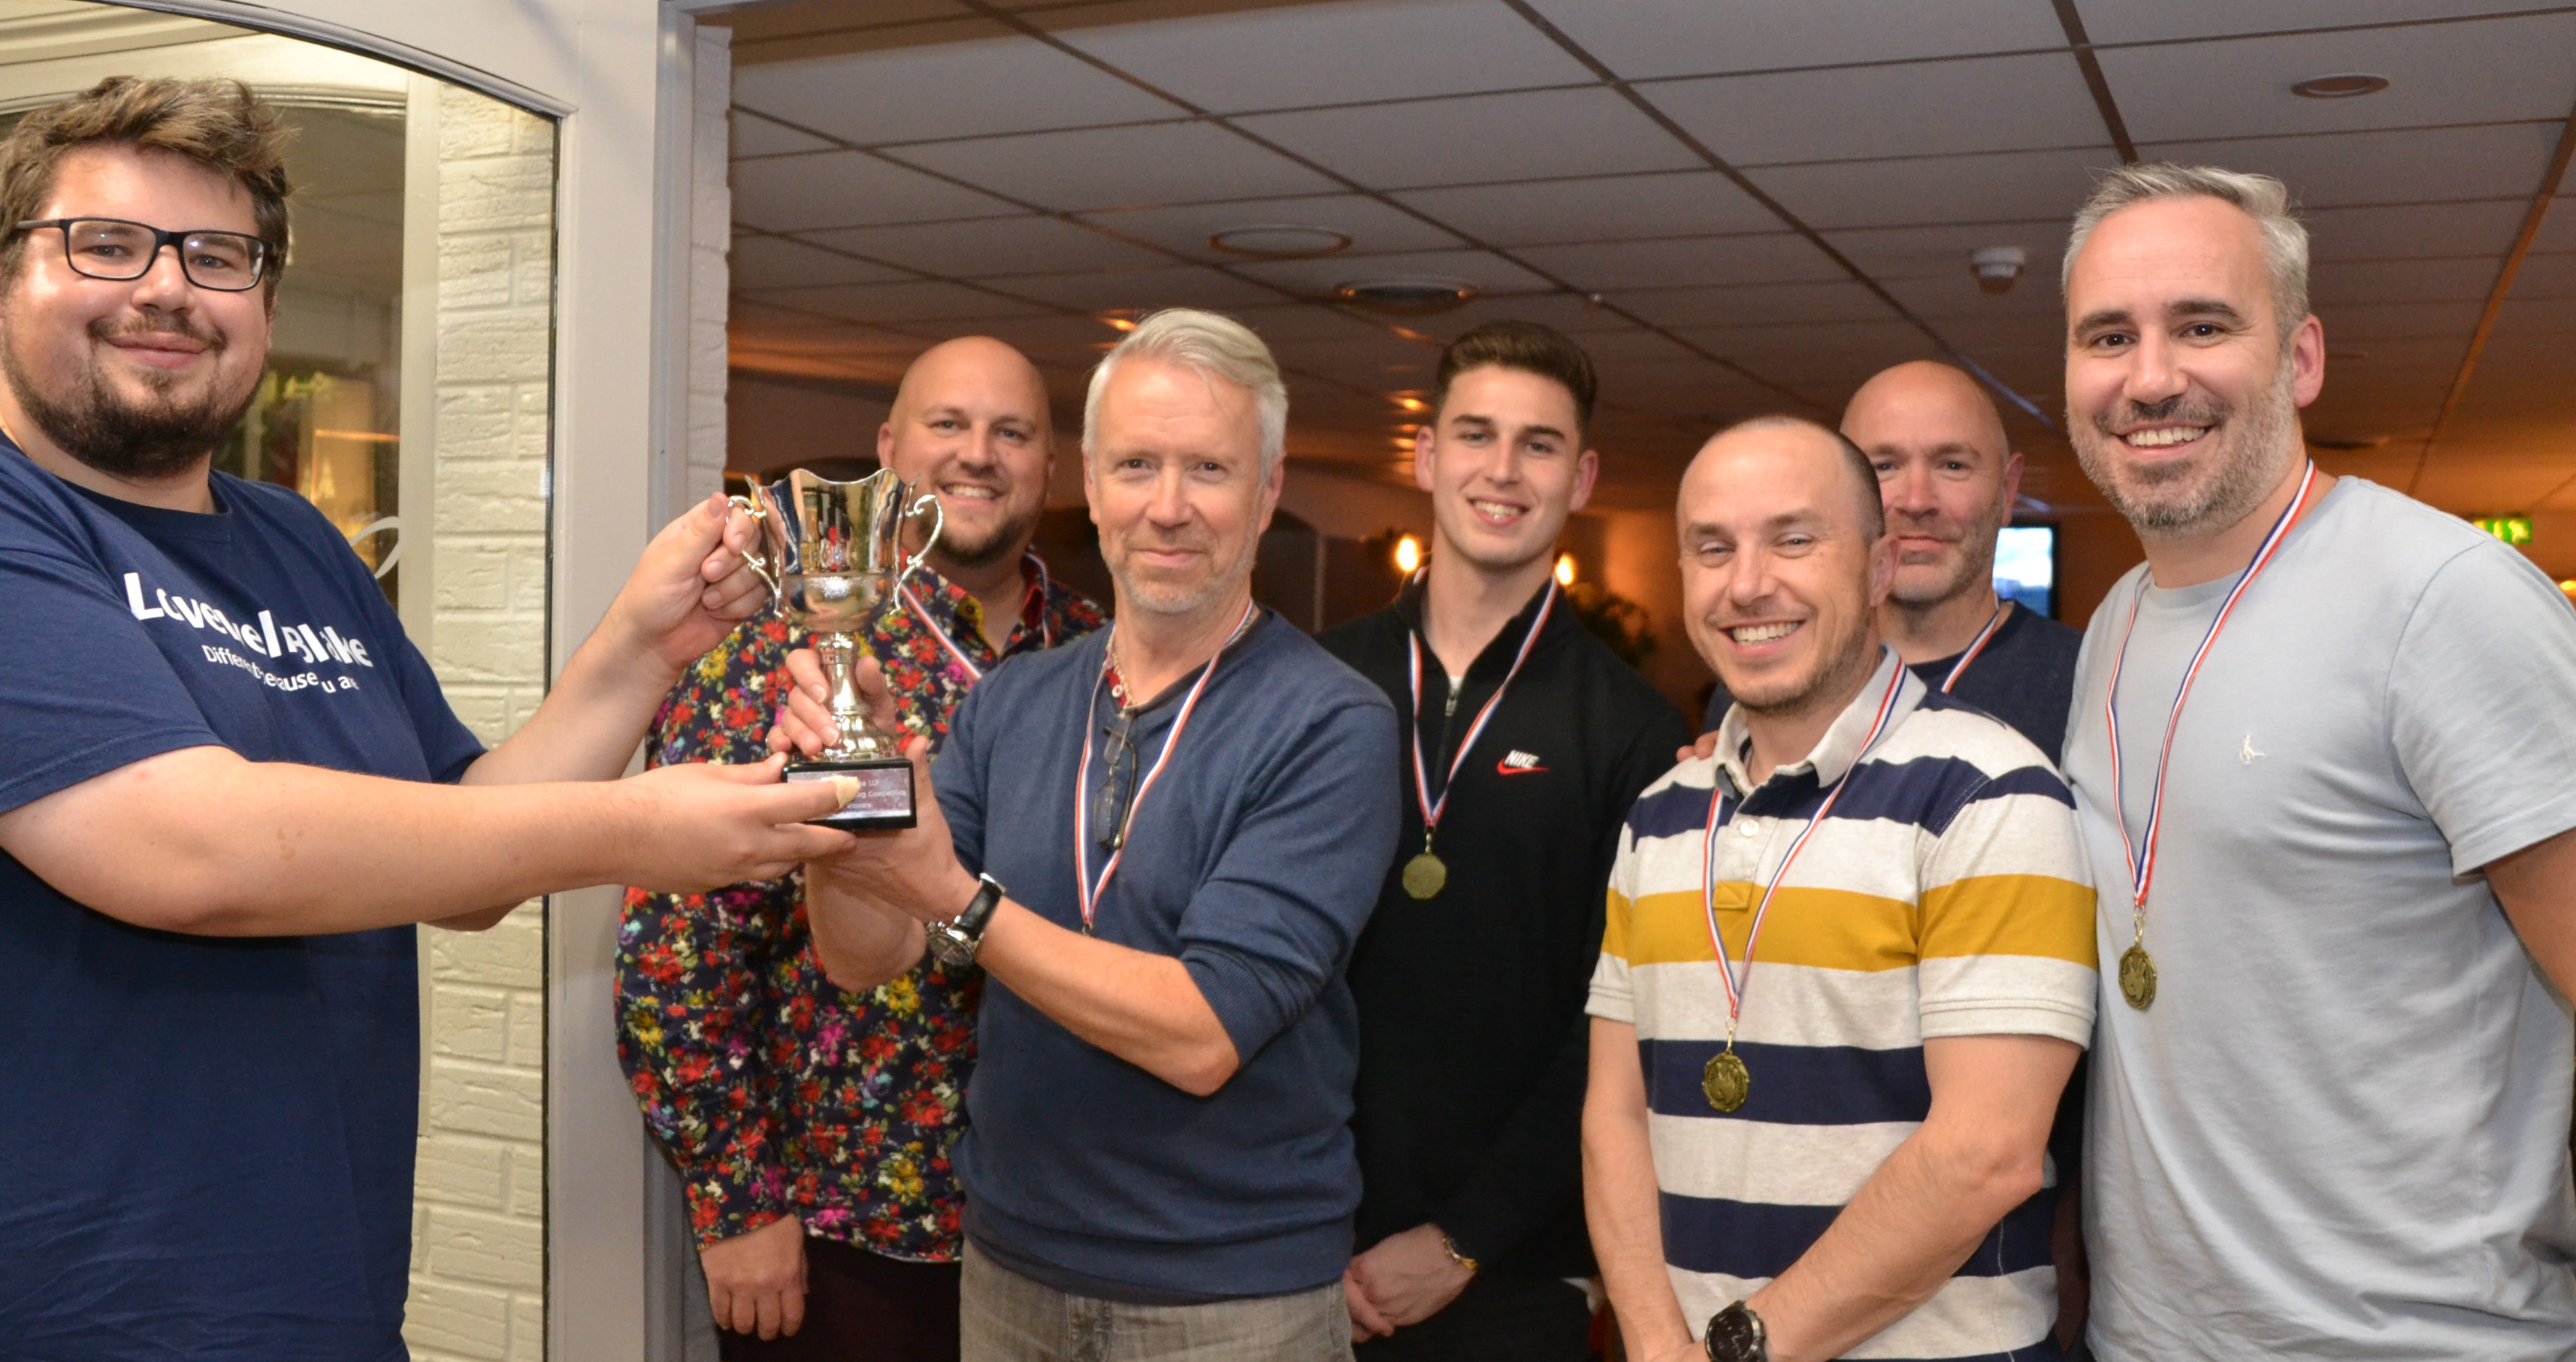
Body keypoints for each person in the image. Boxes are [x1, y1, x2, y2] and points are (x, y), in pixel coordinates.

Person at [0, 77, 858, 1360]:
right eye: (107, 244)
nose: (166, 288)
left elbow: (459, 849)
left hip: (320, 1299)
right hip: (82, 1311)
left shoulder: (290, 536)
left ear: (267, 304)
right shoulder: (22, 524)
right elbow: (182, 845)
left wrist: (640, 648)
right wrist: (633, 828)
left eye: (218, 256)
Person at [782, 307, 1401, 1360]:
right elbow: (864, 956)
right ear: (1091, 486)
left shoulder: (1333, 722)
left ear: (1269, 489)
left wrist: (954, 896)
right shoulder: (1012, 700)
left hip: (1231, 1301)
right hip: (1010, 1271)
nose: (1168, 508)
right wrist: (847, 809)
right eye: (1136, 465)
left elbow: (1203, 1035)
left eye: (1208, 467)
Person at [2056, 164, 2576, 1360]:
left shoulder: (2440, 601)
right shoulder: (2114, 629)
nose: (2150, 378)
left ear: (2300, 360)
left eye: (2202, 325)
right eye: (2107, 337)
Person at [617, 337, 1103, 1357]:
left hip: (1072, 1227)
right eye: (949, 424)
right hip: (853, 1228)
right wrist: (737, 1197)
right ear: (888, 452)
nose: (980, 454)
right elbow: (677, 947)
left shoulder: (1100, 657)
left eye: (1012, 432)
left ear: (1052, 468)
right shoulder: (782, 655)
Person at [1584, 415, 2097, 1362]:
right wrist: (1658, 1344)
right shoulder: (1658, 813)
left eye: (1792, 539)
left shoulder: (1990, 792)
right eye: (1712, 548)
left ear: (1874, 568)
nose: (1747, 584)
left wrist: (1737, 1349)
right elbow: (1614, 1113)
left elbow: (1984, 1156)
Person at [1317, 322, 1686, 1360]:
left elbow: (1615, 1023)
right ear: (1428, 457)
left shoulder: (1631, 729)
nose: (1504, 470)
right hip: (1292, 1239)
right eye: (1476, 435)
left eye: (1540, 444)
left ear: (1582, 475)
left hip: (1510, 1270)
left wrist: (1464, 1239)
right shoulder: (1314, 684)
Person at [1700, 362, 2080, 762]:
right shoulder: (1771, 671)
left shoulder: (2090, 684)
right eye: (1884, 467)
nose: (1917, 502)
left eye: (1952, 465)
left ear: (2008, 489)